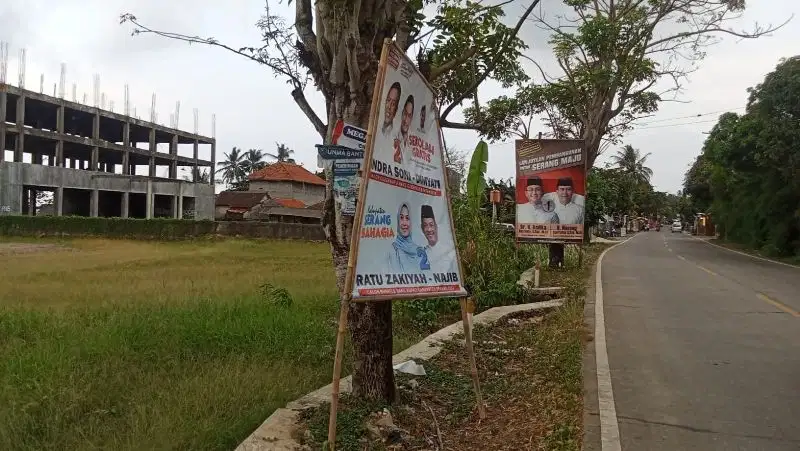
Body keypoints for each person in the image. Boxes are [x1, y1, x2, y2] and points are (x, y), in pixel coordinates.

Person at [387, 202, 428, 272]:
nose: (404, 223)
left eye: (407, 218)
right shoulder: (393, 250)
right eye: (401, 218)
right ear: (397, 221)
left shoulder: (420, 250)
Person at [420, 204, 456, 273]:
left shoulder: (449, 251)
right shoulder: (422, 253)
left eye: (431, 225)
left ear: (436, 226)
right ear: (422, 229)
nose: (429, 229)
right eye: (425, 226)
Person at [393, 95, 415, 166]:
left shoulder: (412, 143)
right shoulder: (394, 134)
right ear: (402, 113)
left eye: (409, 116)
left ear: (412, 118)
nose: (406, 120)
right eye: (405, 114)